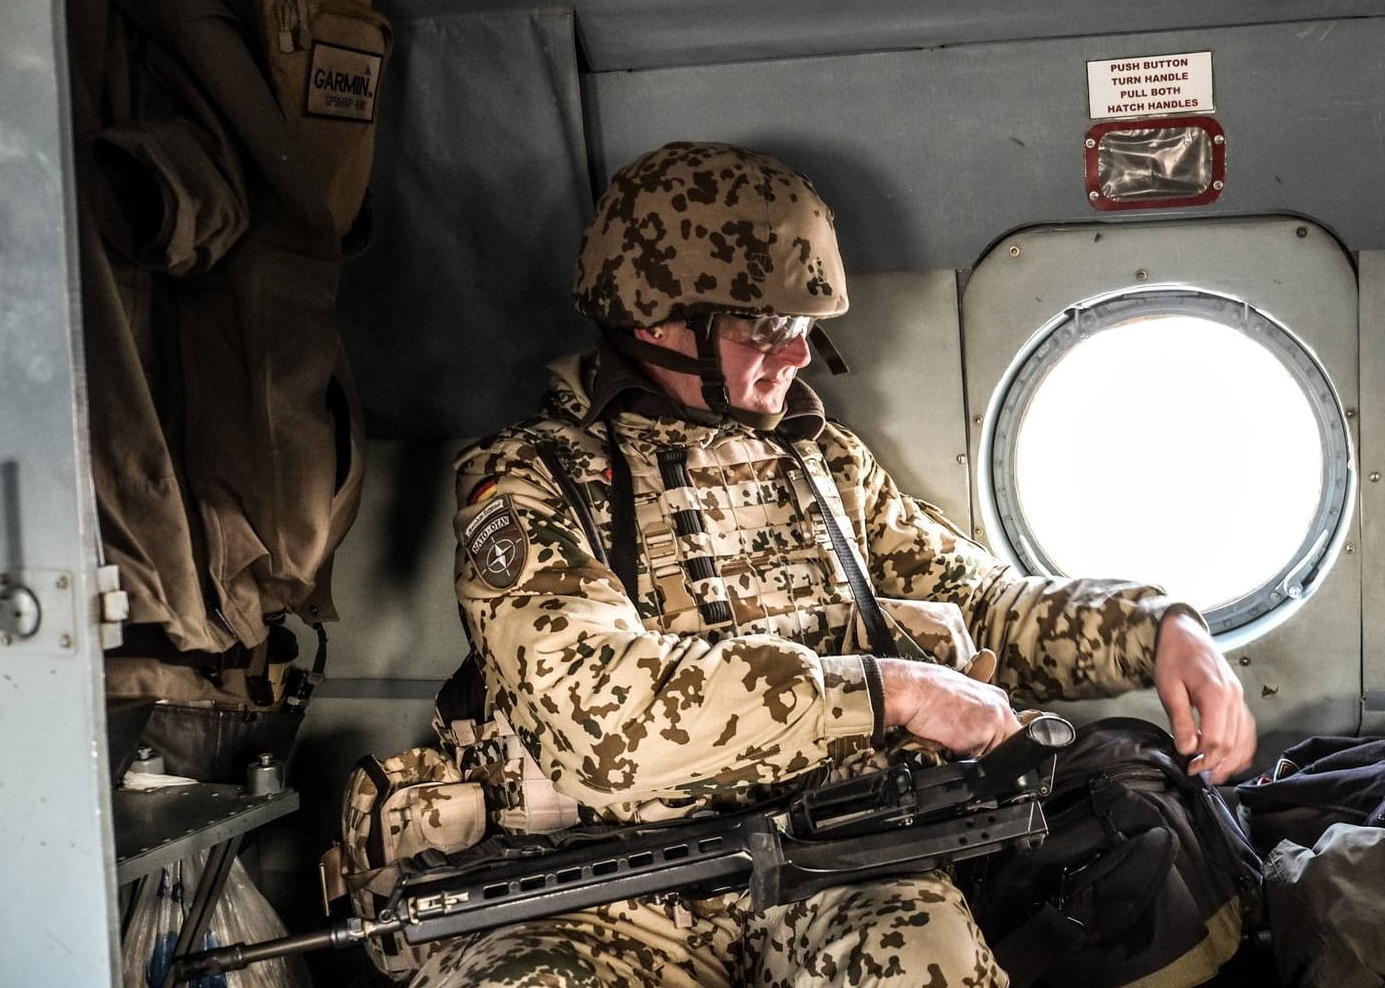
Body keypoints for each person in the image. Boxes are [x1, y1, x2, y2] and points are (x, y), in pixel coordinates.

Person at [418, 141, 1254, 987]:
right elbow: (598, 715)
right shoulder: (529, 480)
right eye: (765, 327)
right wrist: (898, 692)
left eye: (806, 327)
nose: (799, 356)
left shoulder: (823, 465)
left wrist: (1157, 629)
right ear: (653, 319)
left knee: (923, 954)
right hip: (610, 898)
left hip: (836, 863)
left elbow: (983, 602)